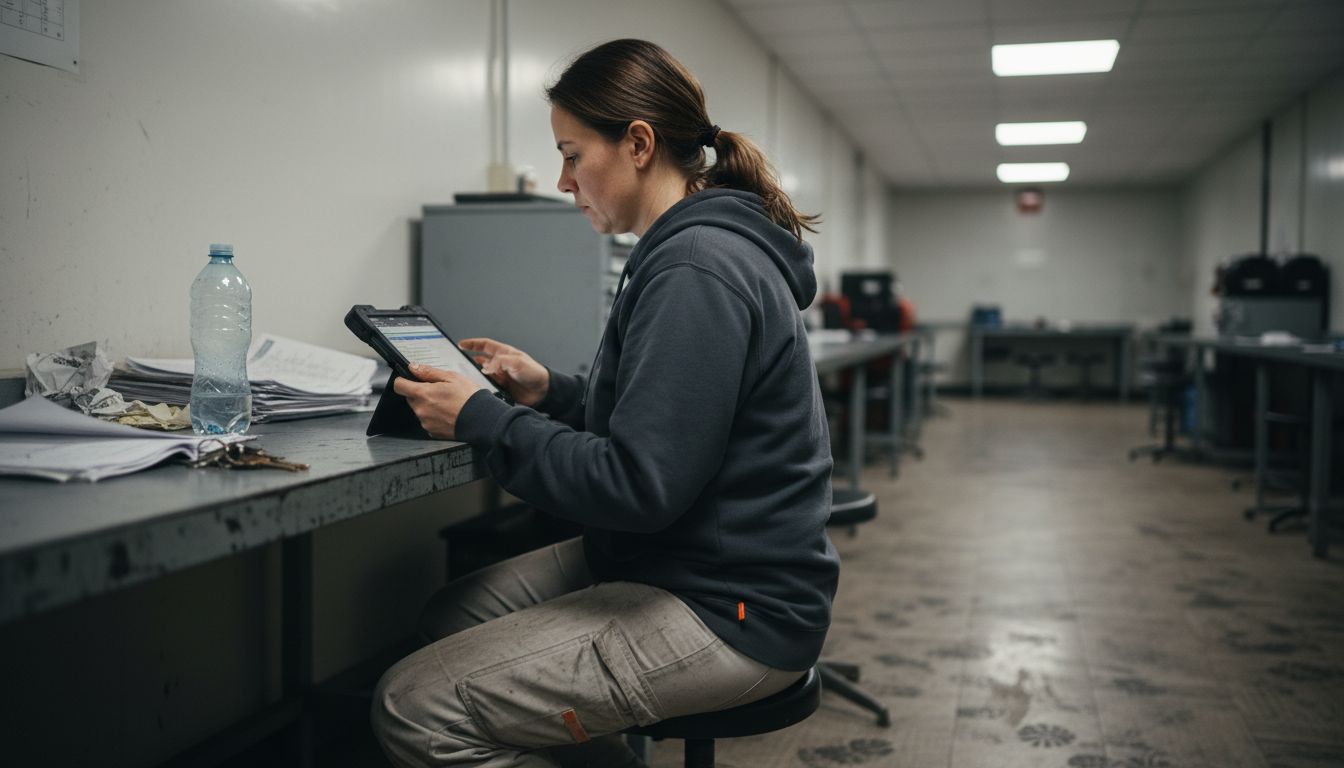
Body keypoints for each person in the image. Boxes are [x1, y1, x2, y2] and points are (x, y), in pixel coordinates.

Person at [371, 38, 838, 768]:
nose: (563, 181)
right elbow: (670, 423)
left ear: (639, 144)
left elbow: (638, 485)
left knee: (412, 705)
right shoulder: (688, 247)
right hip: (693, 562)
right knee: (448, 617)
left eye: (572, 154)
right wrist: (549, 392)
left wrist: (482, 417)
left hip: (733, 605)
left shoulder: (696, 266)